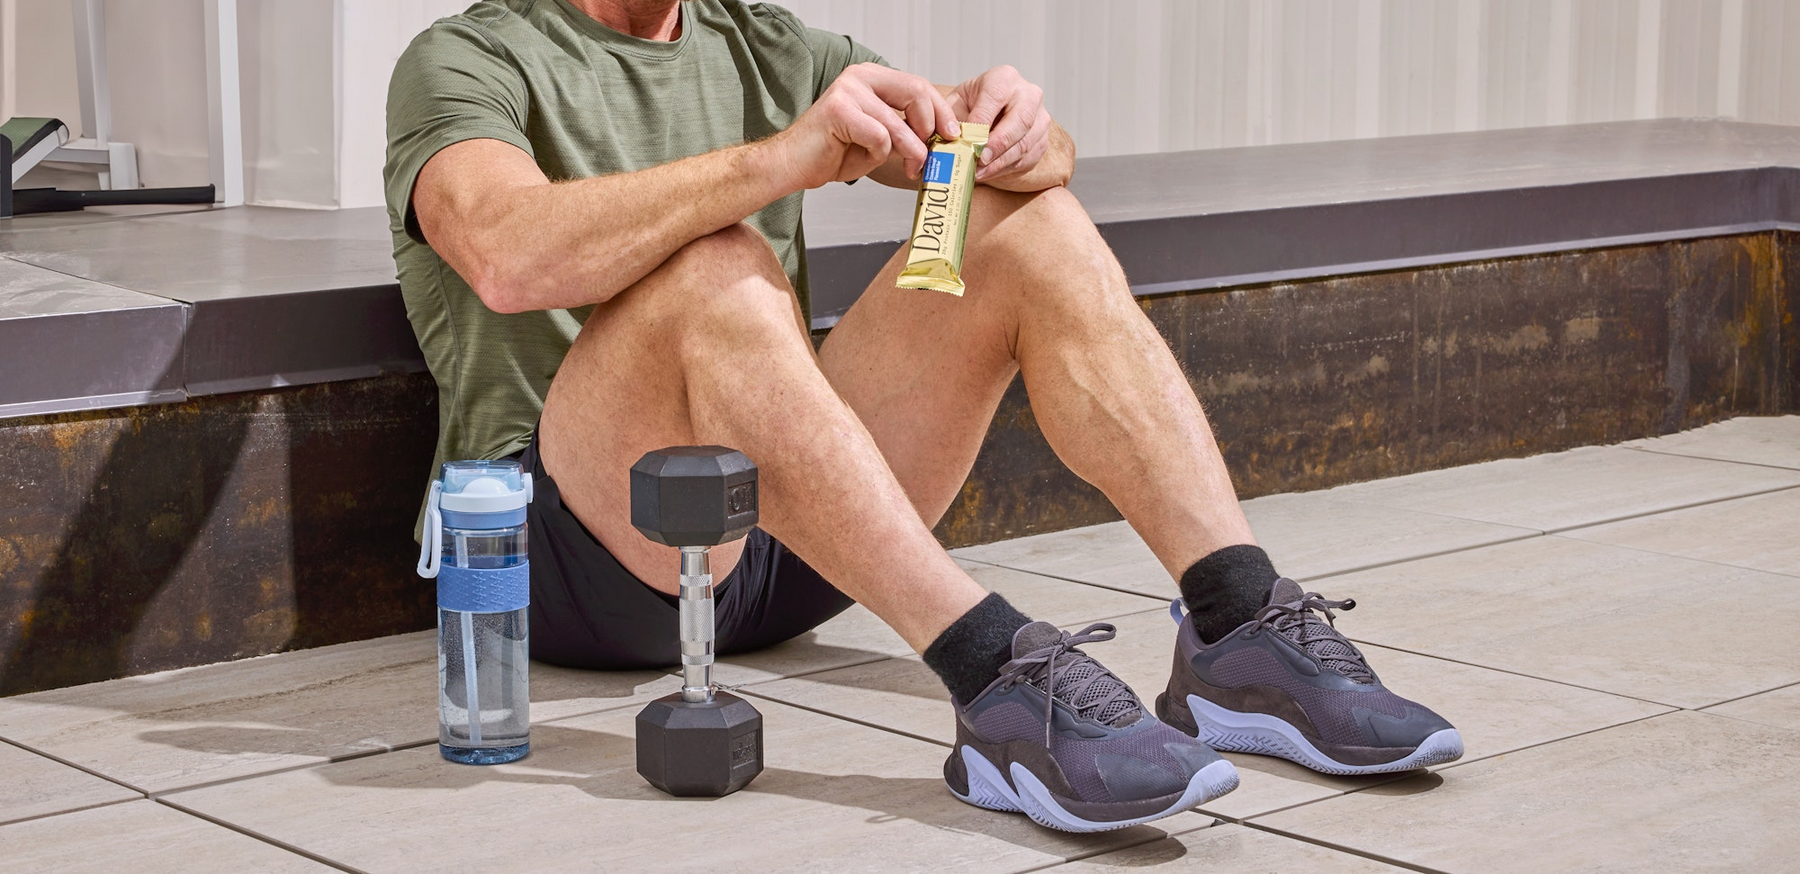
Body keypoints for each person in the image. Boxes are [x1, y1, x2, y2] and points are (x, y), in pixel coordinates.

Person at [384, 0, 1462, 833]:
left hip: (788, 547)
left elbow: (1000, 155)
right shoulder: (469, 58)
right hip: (567, 562)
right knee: (716, 261)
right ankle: (994, 672)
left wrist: (1018, 133)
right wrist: (777, 161)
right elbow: (506, 252)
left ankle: (1239, 628)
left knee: (1027, 223)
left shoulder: (766, 44)